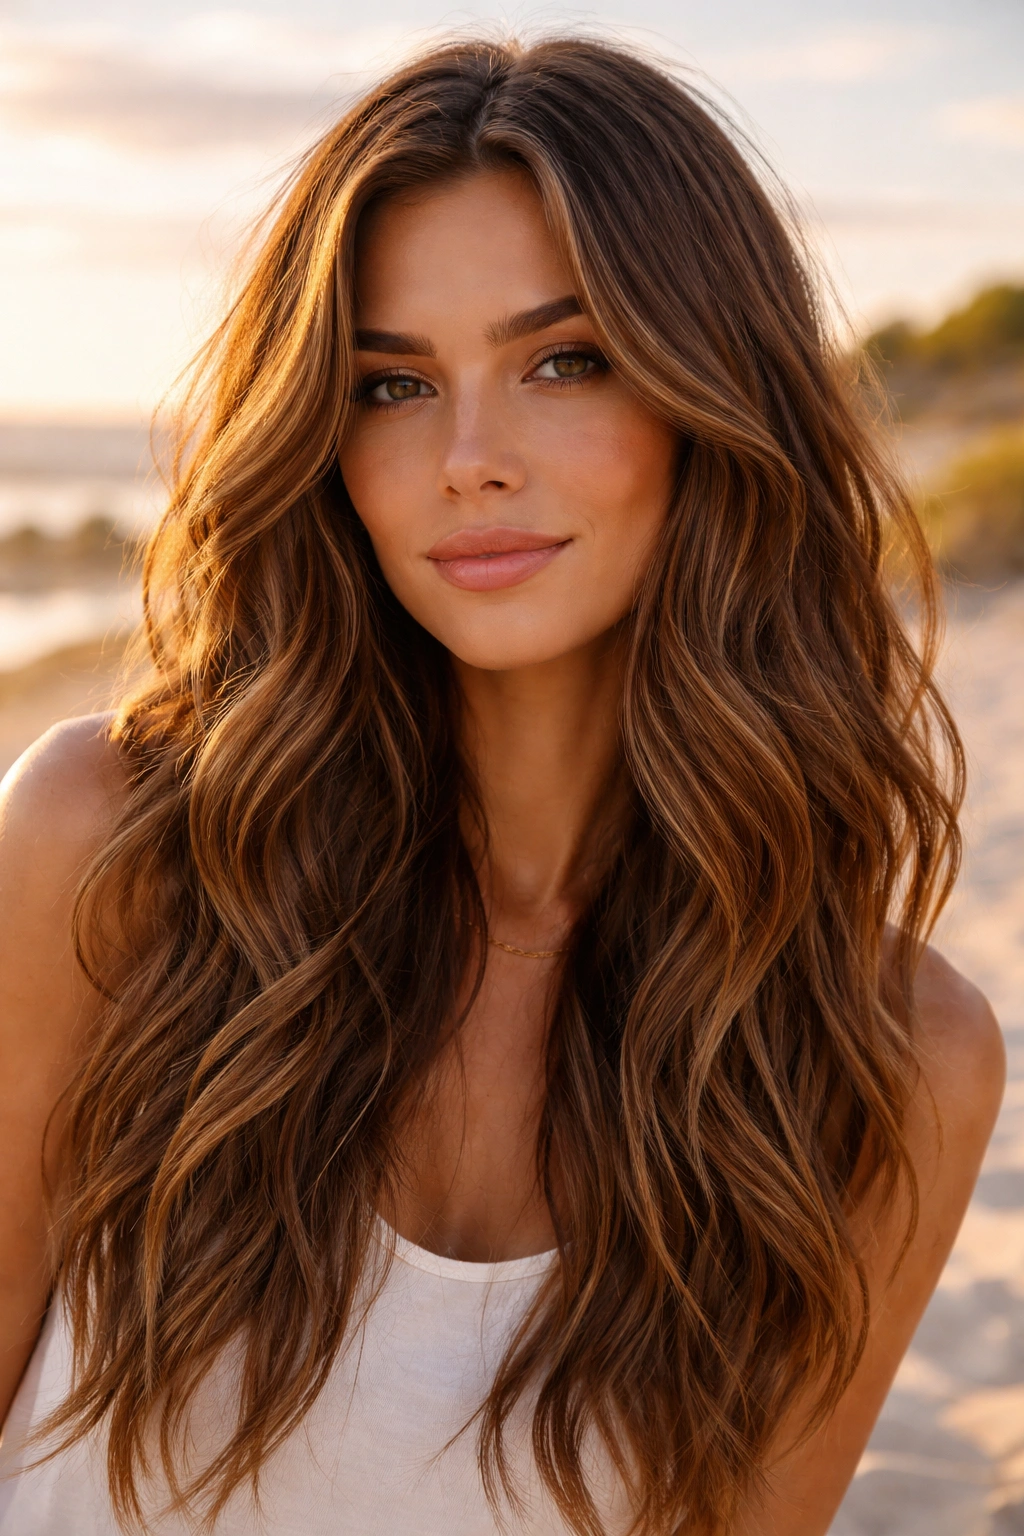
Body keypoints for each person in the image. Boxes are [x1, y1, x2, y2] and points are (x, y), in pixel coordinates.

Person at [0, 35, 1004, 1536]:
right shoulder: (111, 848)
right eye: (393, 385)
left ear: (711, 397)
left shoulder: (888, 1061)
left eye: (565, 360)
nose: (469, 458)